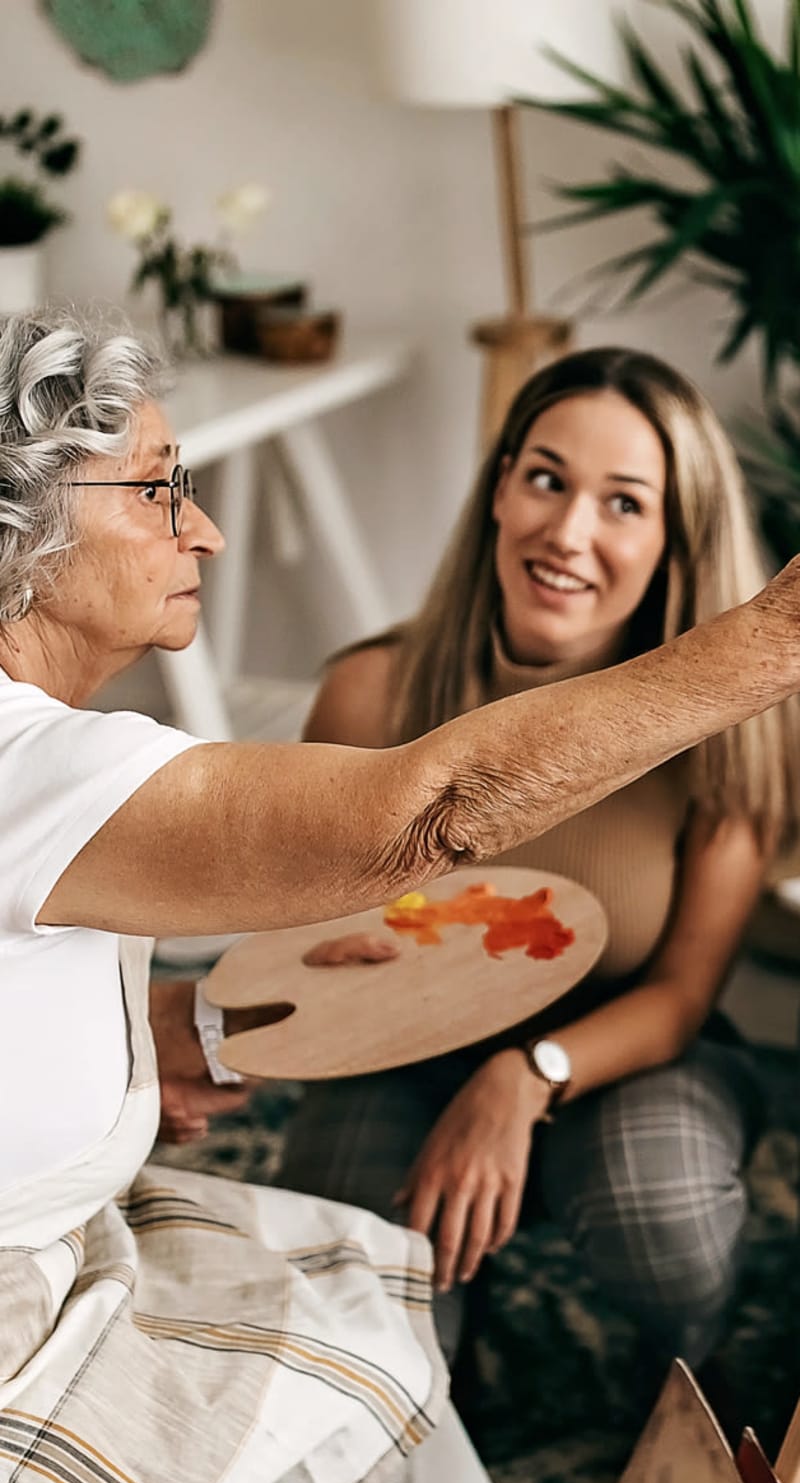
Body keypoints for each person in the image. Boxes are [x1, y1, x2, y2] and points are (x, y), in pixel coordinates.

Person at [0, 312, 799, 1483]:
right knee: (358, 1375)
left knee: (376, 1276)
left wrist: (153, 1037)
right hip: (14, 1312)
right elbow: (422, 818)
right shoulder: (41, 759)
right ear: (30, 530)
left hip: (64, 1228)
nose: (211, 527)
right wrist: (775, 640)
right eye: (165, 486)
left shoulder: (44, 748)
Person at [280, 346, 800, 1372]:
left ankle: (678, 1356)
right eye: (546, 479)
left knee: (662, 1218)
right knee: (344, 1266)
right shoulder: (367, 695)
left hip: (623, 1046)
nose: (566, 532)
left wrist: (524, 1075)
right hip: (401, 1046)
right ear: (498, 488)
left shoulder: (729, 738)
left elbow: (683, 994)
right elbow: (297, 939)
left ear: (673, 541)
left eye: (622, 504)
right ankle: (444, 1365)